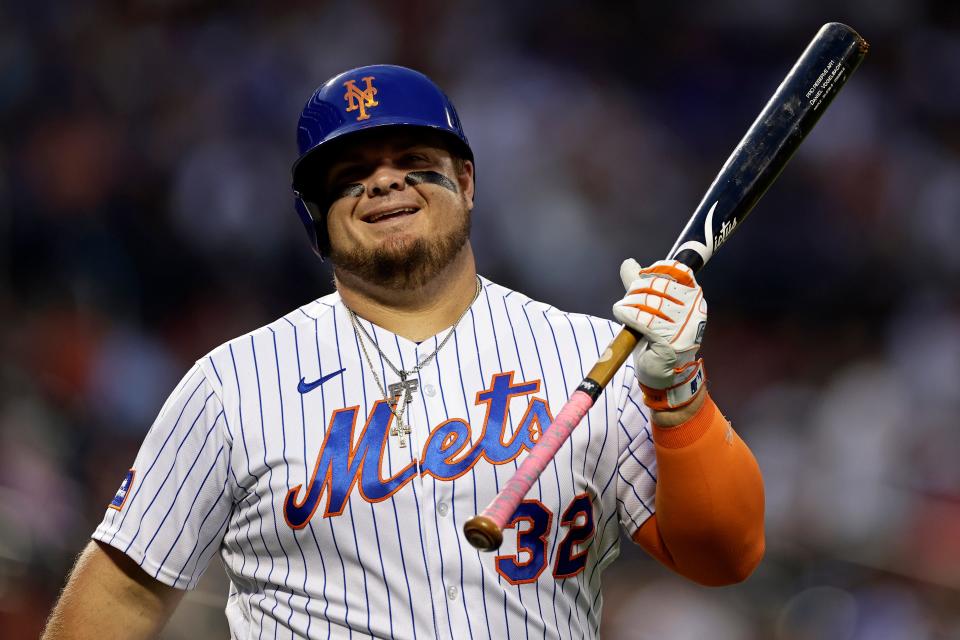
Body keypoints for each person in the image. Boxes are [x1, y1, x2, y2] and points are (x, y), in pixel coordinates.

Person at [43, 64, 764, 639]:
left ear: (468, 183)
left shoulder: (584, 353)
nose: (385, 179)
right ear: (315, 220)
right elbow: (118, 599)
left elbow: (724, 556)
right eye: (350, 174)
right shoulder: (230, 386)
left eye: (414, 159)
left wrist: (679, 396)